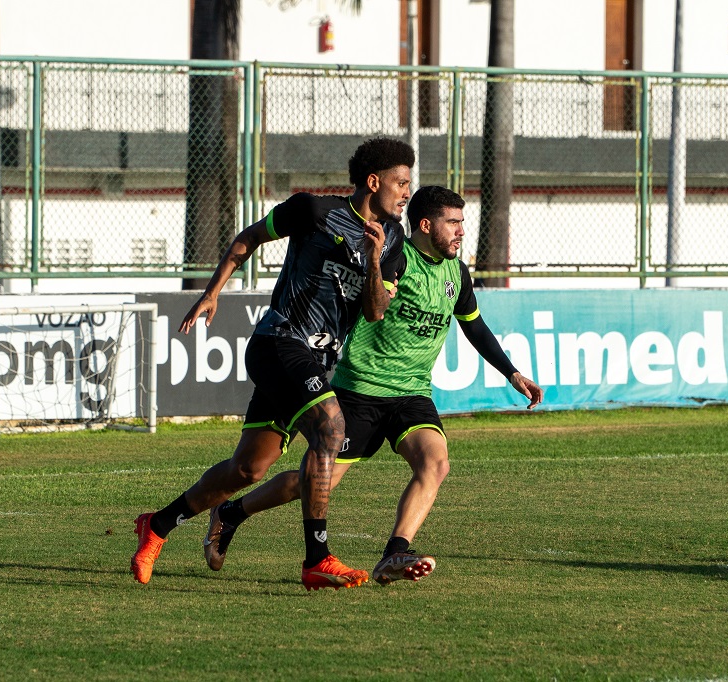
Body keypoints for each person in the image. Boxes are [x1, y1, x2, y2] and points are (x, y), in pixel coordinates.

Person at [201, 185, 543, 585]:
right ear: (426, 225)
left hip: (412, 394)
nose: (461, 231)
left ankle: (396, 551)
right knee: (314, 482)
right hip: (360, 390)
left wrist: (512, 372)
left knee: (436, 464)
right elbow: (371, 306)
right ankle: (232, 512)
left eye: (462, 223)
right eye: (453, 223)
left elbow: (475, 327)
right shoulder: (395, 256)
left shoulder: (456, 273)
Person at [131, 137, 415, 590]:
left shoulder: (394, 239)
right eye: (401, 183)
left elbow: (376, 310)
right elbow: (249, 238)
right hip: (279, 342)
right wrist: (212, 292)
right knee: (331, 430)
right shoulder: (313, 211)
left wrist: (375, 260)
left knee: (248, 469)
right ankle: (317, 559)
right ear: (373, 181)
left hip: (316, 361)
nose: (406, 192)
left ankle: (158, 525)